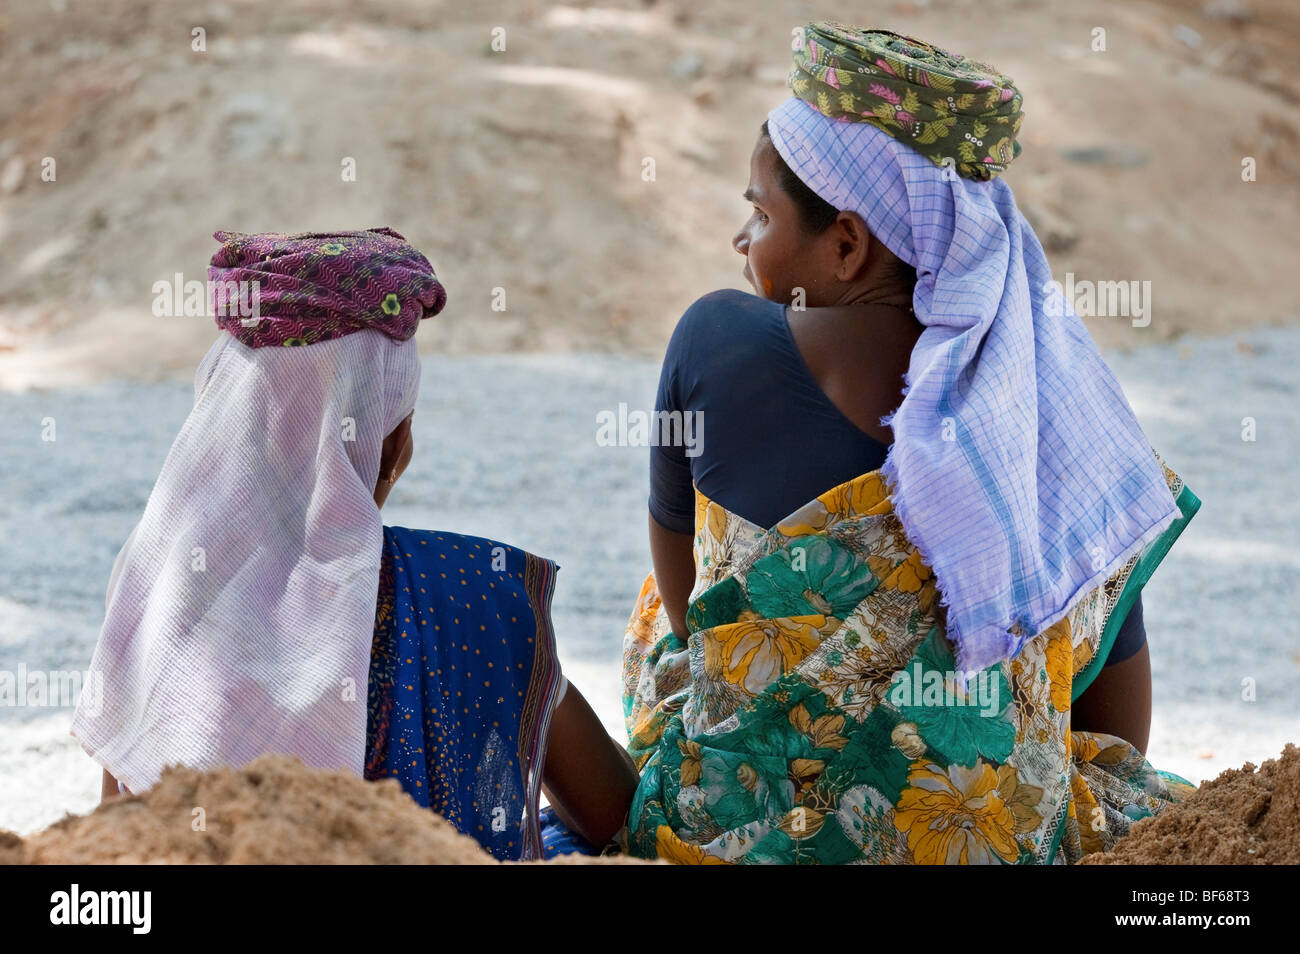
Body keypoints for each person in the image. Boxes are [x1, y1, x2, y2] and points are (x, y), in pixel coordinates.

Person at [622, 23, 1200, 864]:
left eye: (760, 213)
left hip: (738, 824)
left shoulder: (719, 338)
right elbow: (1113, 708)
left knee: (665, 612)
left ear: (848, 245)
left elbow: (687, 621)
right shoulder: (1049, 395)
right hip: (990, 836)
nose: (742, 243)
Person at [73, 228, 637, 861]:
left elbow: (118, 832)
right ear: (392, 446)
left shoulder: (156, 584)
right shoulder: (474, 589)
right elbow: (613, 812)